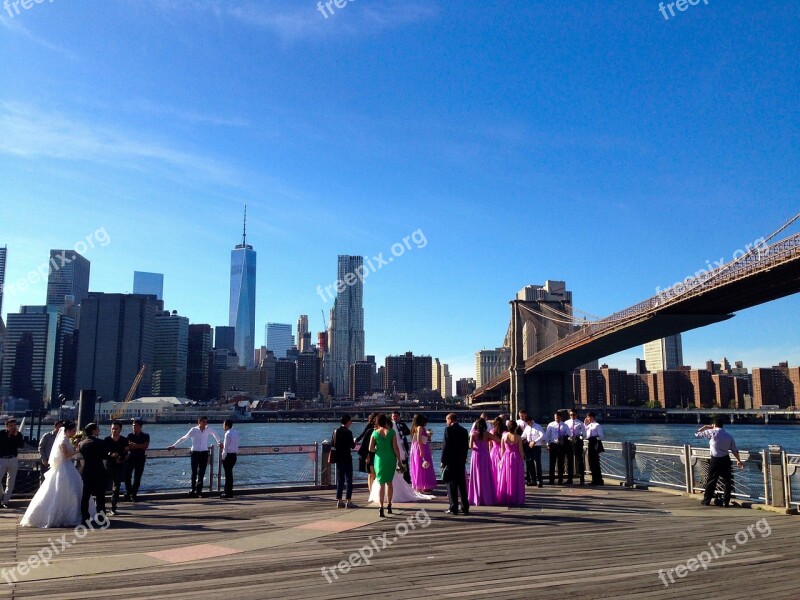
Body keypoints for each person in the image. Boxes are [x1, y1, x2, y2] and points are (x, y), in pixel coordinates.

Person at [20, 422, 86, 527]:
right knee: (68, 489)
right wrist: (77, 451)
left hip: (67, 466)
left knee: (71, 490)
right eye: (73, 431)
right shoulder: (62, 440)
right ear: (67, 431)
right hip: (64, 467)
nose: (74, 432)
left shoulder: (66, 439)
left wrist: (75, 446)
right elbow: (65, 455)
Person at [168, 416, 221, 497]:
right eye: (204, 421)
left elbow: (215, 434)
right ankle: (193, 489)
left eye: (206, 422)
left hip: (204, 453)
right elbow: (184, 438)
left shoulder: (208, 429)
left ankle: (199, 491)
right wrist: (174, 445)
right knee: (194, 472)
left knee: (202, 472)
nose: (205, 423)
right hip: (195, 453)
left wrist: (219, 442)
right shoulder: (194, 430)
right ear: (199, 422)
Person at [696, 419, 744, 507]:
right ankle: (725, 502)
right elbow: (734, 450)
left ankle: (706, 500)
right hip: (725, 459)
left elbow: (697, 435)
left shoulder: (711, 432)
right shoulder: (729, 436)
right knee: (727, 481)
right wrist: (738, 460)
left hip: (715, 460)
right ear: (722, 425)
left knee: (711, 480)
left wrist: (705, 427)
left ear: (714, 425)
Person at [369, 414, 402, 517]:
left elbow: (370, 448)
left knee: (381, 483)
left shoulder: (374, 433)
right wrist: (399, 460)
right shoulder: (391, 432)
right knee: (389, 482)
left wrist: (378, 449)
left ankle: (381, 507)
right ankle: (389, 505)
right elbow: (396, 448)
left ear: (378, 422)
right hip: (390, 458)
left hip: (379, 459)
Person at [441, 412, 469, 516]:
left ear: (450, 420)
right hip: (461, 461)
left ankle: (453, 508)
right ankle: (465, 507)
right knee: (462, 485)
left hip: (451, 461)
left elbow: (445, 447)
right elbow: (466, 447)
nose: (446, 422)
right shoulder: (464, 430)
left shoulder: (448, 430)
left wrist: (443, 461)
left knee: (452, 485)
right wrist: (464, 457)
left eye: (446, 420)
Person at [79, 423, 108, 524]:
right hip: (98, 470)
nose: (98, 431)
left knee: (85, 495)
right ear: (93, 431)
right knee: (100, 495)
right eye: (97, 429)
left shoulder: (81, 444)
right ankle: (101, 517)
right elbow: (104, 455)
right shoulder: (100, 442)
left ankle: (85, 517)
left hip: (87, 470)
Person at [467, 417, 498, 506]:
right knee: (485, 475)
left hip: (476, 454)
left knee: (476, 475)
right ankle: (487, 497)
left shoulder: (473, 434)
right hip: (485, 454)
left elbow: (470, 446)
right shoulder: (487, 434)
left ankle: (476, 497)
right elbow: (498, 440)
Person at [497, 419, 526, 506]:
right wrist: (522, 459)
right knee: (516, 477)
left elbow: (502, 450)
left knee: (506, 477)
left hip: (506, 457)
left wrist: (501, 460)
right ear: (516, 427)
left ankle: (506, 497)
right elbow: (520, 451)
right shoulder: (518, 437)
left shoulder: (504, 436)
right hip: (516, 457)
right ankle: (515, 497)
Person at [104, 420, 129, 515]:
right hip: (109, 466)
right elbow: (104, 452)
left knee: (116, 487)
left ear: (120, 430)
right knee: (104, 486)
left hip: (119, 466)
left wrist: (121, 458)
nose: (114, 430)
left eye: (116, 429)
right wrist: (111, 454)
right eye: (112, 428)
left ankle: (113, 507)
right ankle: (101, 507)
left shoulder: (124, 440)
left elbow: (127, 452)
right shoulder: (107, 440)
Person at [332, 414, 357, 509]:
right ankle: (349, 501)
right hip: (347, 457)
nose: (351, 423)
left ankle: (339, 501)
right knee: (349, 479)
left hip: (338, 458)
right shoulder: (348, 432)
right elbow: (352, 446)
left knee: (340, 480)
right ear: (347, 421)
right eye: (350, 421)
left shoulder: (335, 431)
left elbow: (332, 444)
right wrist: (354, 441)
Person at [0, 418, 25, 509]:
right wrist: (11, 436)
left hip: (13, 459)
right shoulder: (2, 434)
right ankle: (2, 495)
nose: (13, 427)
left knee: (10, 482)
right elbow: (4, 445)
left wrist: (16, 436)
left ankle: (5, 501)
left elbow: (21, 445)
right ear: (6, 426)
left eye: (14, 425)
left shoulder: (18, 435)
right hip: (2, 459)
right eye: (11, 426)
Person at [124, 418, 150, 502]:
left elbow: (145, 446)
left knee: (137, 477)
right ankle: (129, 491)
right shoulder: (130, 435)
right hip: (130, 458)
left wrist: (135, 445)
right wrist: (139, 445)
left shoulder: (145, 435)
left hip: (140, 458)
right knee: (127, 476)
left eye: (135, 426)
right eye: (133, 426)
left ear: (140, 426)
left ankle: (133, 494)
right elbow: (128, 446)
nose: (133, 427)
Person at [409, 414, 436, 493]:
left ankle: (419, 484)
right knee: (424, 466)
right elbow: (419, 439)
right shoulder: (420, 427)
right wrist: (421, 450)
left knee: (418, 465)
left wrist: (428, 436)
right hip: (421, 447)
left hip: (415, 447)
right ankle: (424, 485)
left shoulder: (414, 428)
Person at [564, 409, 587, 485]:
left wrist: (580, 436)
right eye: (571, 415)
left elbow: (584, 434)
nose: (572, 416)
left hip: (577, 441)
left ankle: (582, 479)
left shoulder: (580, 423)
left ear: (576, 415)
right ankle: (570, 479)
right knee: (569, 460)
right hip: (569, 442)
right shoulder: (566, 423)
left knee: (579, 460)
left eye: (574, 415)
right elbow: (564, 432)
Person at [355, 413, 377, 491]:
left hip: (372, 452)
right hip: (371, 452)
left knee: (371, 473)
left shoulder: (371, 427)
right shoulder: (371, 429)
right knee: (372, 473)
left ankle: (371, 489)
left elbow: (362, 434)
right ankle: (372, 489)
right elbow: (364, 436)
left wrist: (357, 440)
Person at [521, 416, 544, 487]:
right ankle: (533, 480)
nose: (528, 424)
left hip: (536, 446)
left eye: (528, 422)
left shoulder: (538, 426)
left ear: (531, 421)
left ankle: (539, 480)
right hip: (528, 446)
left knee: (537, 463)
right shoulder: (527, 428)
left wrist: (534, 441)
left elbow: (542, 435)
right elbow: (523, 436)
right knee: (529, 463)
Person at [544, 412, 567, 485]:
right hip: (553, 445)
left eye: (558, 418)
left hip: (561, 445)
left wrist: (564, 437)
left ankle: (560, 480)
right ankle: (551, 480)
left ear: (561, 417)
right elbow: (547, 435)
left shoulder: (565, 425)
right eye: (555, 418)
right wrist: (547, 444)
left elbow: (569, 434)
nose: (556, 419)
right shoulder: (551, 425)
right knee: (552, 463)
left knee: (561, 463)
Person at [391, 411, 411, 484]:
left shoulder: (402, 424)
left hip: (403, 446)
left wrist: (401, 433)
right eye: (393, 416)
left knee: (405, 462)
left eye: (396, 416)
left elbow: (408, 431)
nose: (395, 418)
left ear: (399, 417)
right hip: (393, 447)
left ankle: (406, 479)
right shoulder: (390, 425)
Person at [220, 419, 239, 499]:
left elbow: (225, 447)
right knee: (230, 474)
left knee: (228, 475)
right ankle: (229, 491)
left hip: (228, 456)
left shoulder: (227, 434)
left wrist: (223, 457)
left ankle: (227, 492)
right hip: (234, 455)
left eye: (223, 425)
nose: (223, 426)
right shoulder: (235, 432)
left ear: (227, 425)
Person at [584, 412, 605, 486]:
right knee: (591, 462)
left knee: (596, 462)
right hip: (590, 443)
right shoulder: (588, 426)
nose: (587, 419)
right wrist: (585, 424)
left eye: (588, 417)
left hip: (595, 443)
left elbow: (601, 436)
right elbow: (584, 434)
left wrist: (595, 438)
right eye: (586, 417)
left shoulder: (597, 425)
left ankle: (599, 480)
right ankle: (594, 480)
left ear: (592, 417)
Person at [489, 417, 507, 485]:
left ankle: (494, 484)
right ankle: (501, 484)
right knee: (501, 469)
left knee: (494, 469)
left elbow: (490, 445)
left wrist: (490, 453)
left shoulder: (491, 431)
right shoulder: (504, 432)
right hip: (502, 450)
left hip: (493, 451)